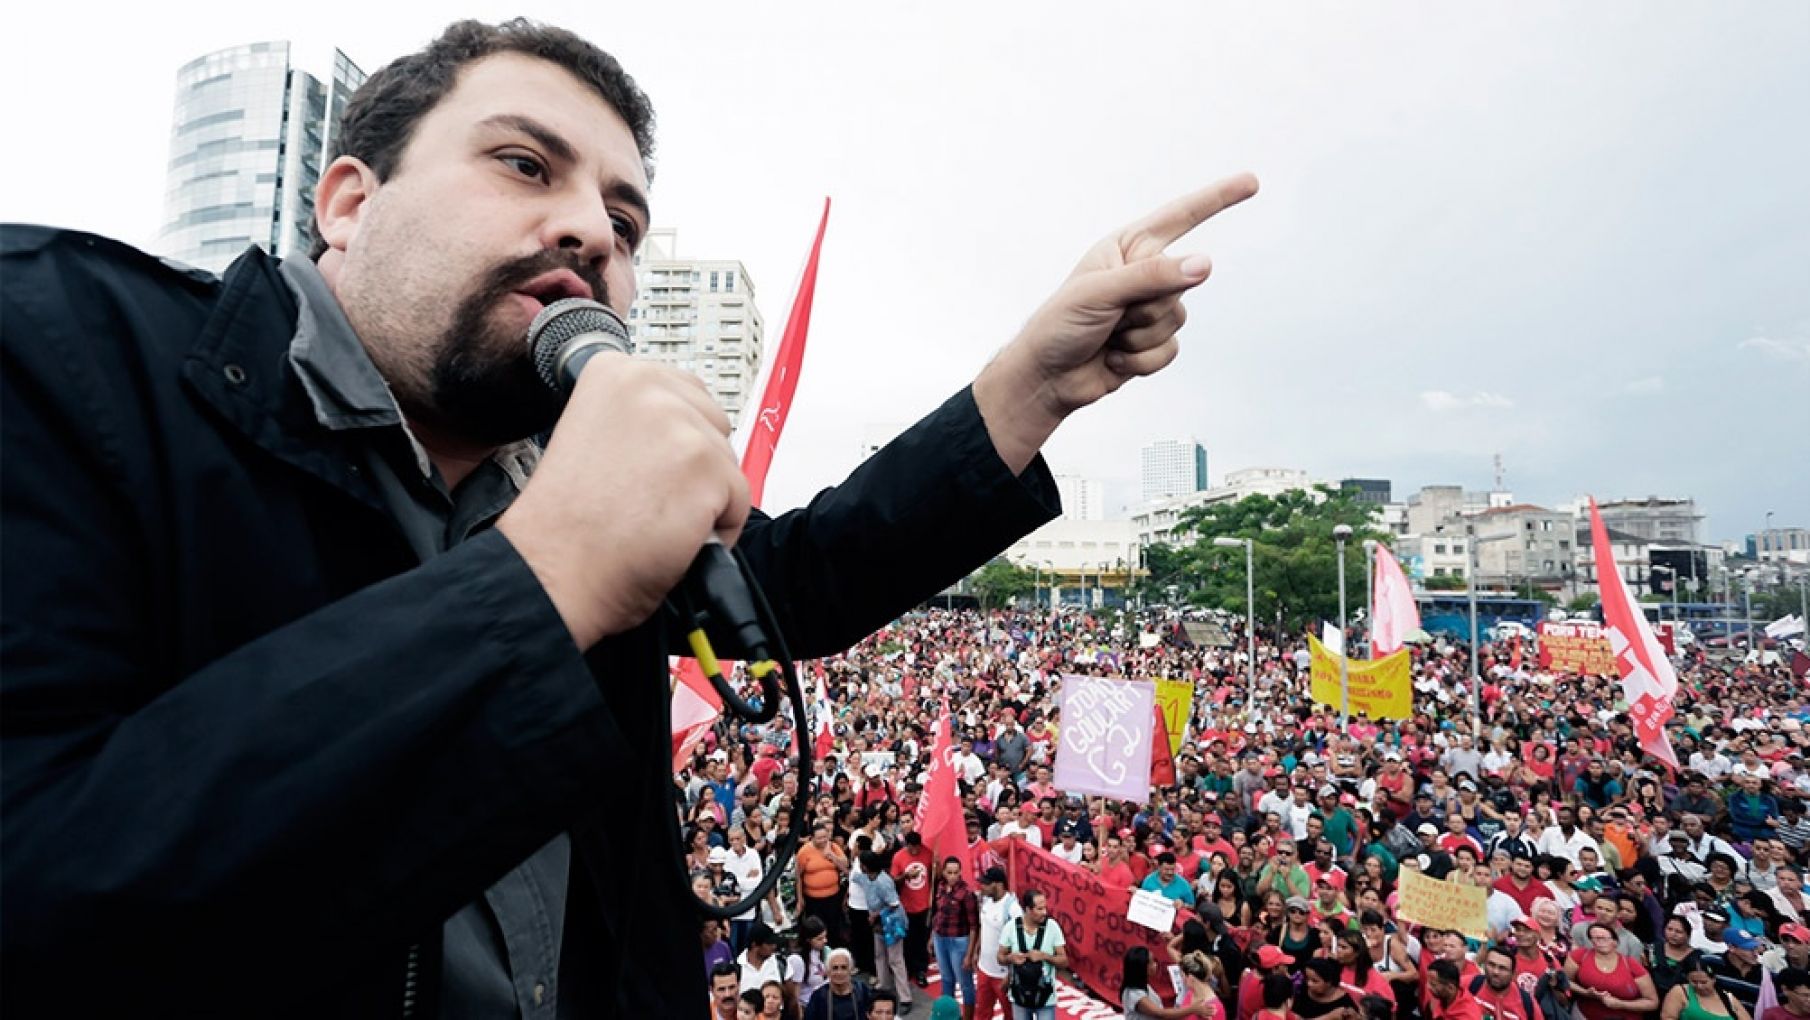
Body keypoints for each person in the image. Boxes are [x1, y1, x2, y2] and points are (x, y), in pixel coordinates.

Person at [0, 15, 1258, 1014]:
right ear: (347, 200)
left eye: (624, 217)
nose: (588, 230)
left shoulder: (553, 479)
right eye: (521, 163)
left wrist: (1032, 382)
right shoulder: (60, 358)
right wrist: (546, 581)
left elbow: (794, 577)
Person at [1565, 922, 1659, 1020]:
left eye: (1605, 938)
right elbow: (1565, 981)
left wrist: (1621, 1004)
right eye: (1596, 938)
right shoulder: (1579, 956)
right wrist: (1586, 993)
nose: (1600, 942)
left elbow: (1652, 1002)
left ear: (1615, 942)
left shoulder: (1631, 965)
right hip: (1584, 1014)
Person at [998, 889, 1067, 1020]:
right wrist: (1010, 958)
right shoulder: (1011, 927)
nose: (1044, 912)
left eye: (1045, 908)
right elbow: (1000, 957)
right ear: (1028, 909)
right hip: (1019, 996)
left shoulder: (1052, 927)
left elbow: (1064, 961)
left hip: (1045, 998)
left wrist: (1045, 956)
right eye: (1039, 909)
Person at [931, 857, 979, 1020]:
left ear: (960, 873)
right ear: (944, 872)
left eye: (955, 873)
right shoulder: (941, 887)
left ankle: (967, 1017)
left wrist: (969, 954)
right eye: (949, 872)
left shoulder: (966, 893)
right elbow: (938, 914)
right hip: (940, 938)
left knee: (965, 984)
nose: (952, 876)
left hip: (959, 941)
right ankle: (947, 1015)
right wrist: (932, 937)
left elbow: (974, 926)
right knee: (946, 979)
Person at [975, 866, 1023, 1020]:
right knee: (982, 1012)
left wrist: (1010, 975)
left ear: (998, 884)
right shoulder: (986, 901)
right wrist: (977, 950)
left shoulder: (1013, 909)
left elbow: (1020, 944)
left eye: (986, 883)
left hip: (1002, 975)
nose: (982, 886)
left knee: (1010, 1014)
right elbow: (983, 928)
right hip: (984, 969)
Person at [803, 949, 873, 1020]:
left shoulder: (862, 991)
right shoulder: (818, 996)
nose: (839, 972)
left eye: (844, 967)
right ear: (828, 971)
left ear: (851, 970)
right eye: (835, 968)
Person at [740, 922, 787, 992]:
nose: (774, 946)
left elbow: (791, 998)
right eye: (769, 943)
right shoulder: (737, 968)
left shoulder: (780, 963)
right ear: (754, 945)